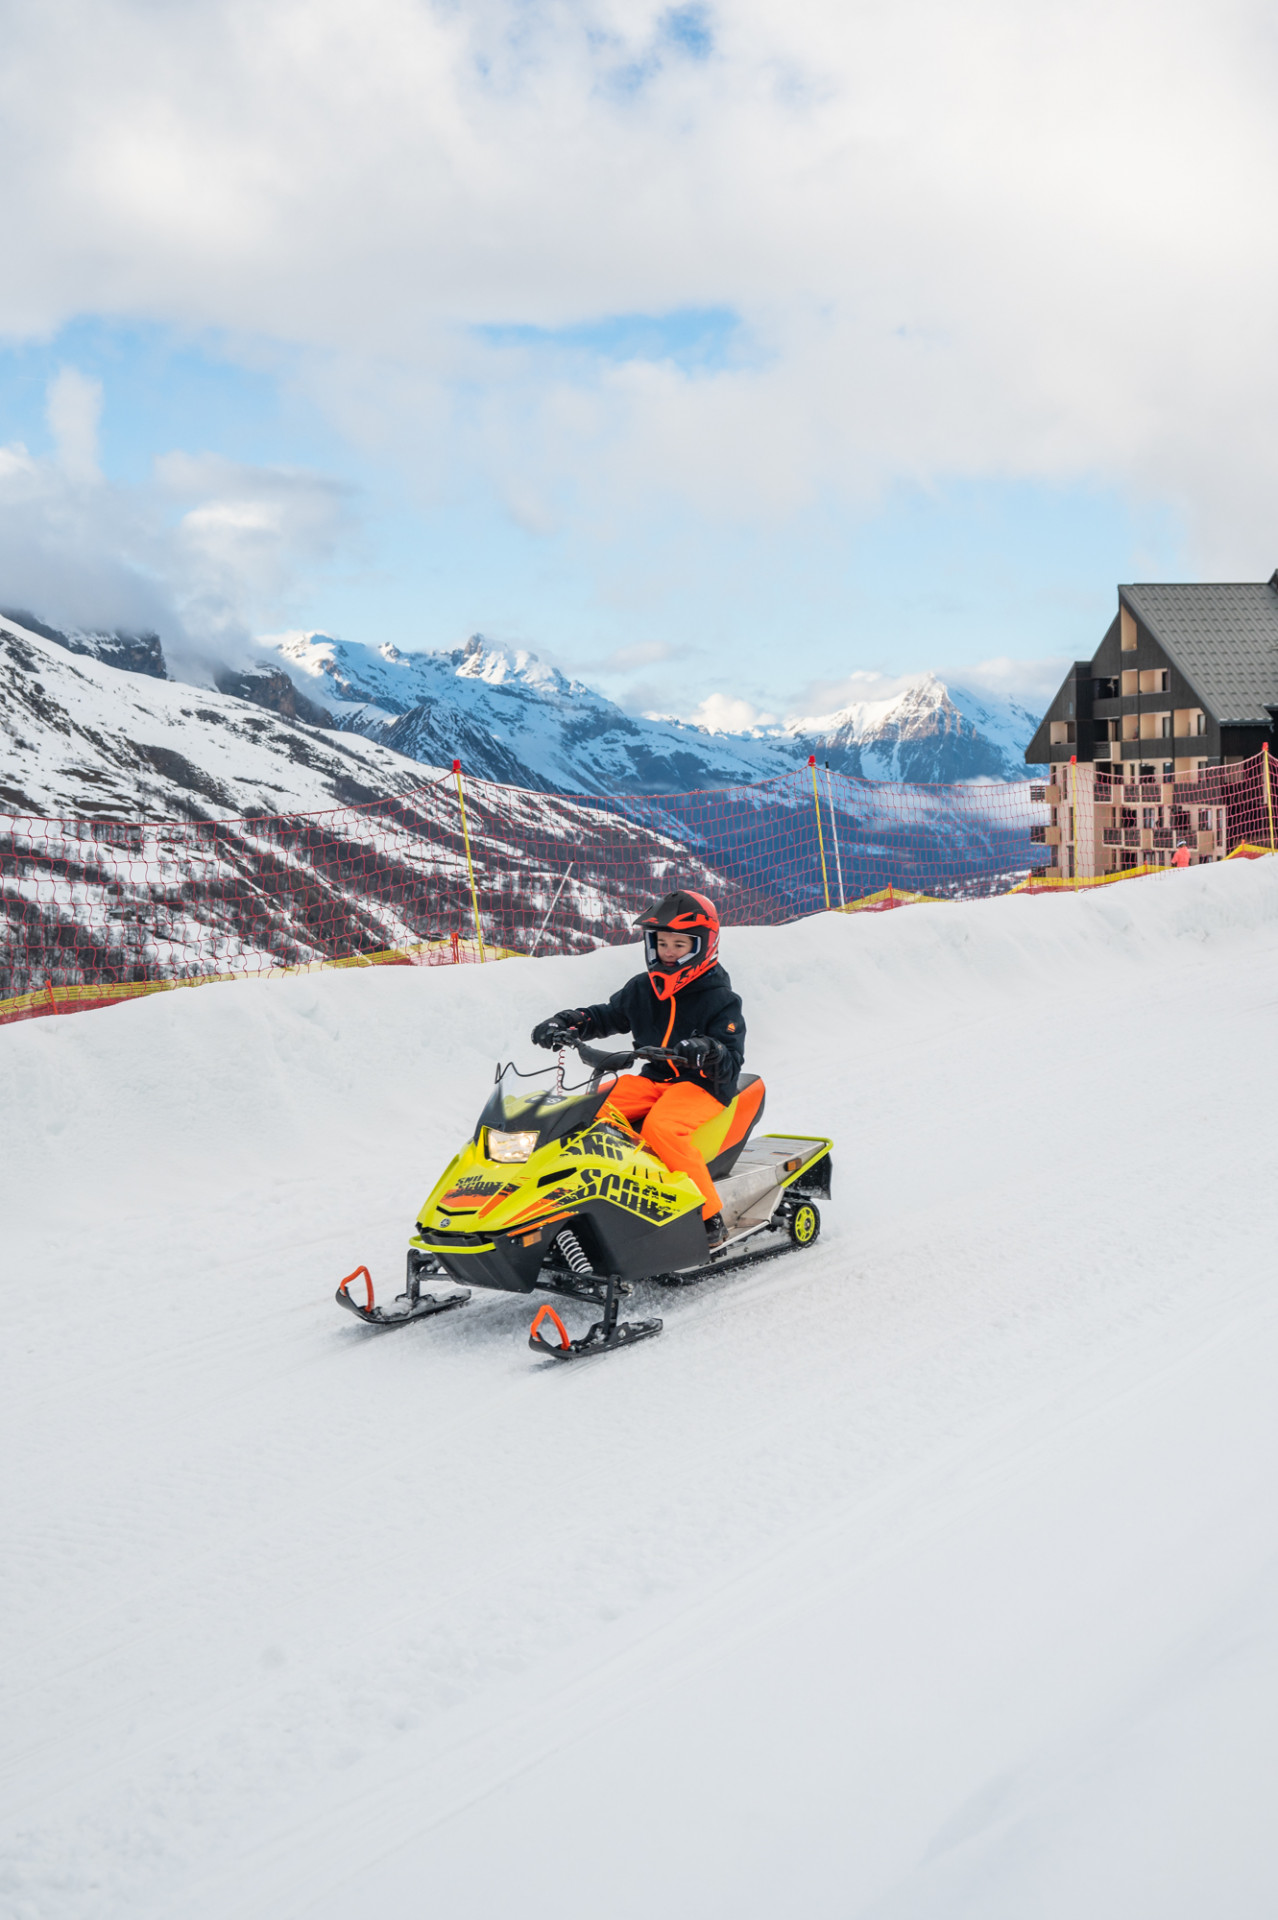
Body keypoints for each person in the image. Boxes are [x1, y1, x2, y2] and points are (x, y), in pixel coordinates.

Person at [531, 890, 745, 1249]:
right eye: (662, 943)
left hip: (703, 1087)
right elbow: (606, 1016)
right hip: (655, 1079)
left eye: (680, 944)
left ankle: (706, 1217)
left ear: (703, 947)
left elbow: (730, 1060)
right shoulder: (644, 988)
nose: (670, 951)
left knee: (663, 1127)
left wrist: (706, 1049)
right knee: (585, 1112)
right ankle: (609, 1201)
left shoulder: (720, 999)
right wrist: (567, 1023)